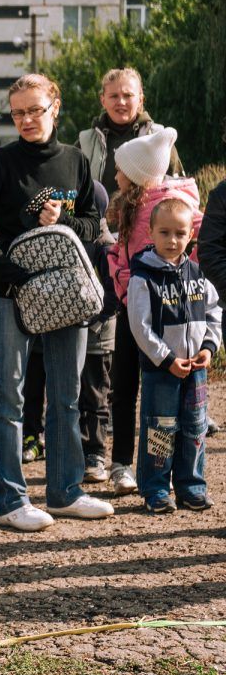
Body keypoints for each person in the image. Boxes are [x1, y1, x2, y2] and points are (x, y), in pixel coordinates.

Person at [0, 73, 114, 532]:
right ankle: (11, 500)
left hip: (67, 294)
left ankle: (65, 491)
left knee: (67, 395)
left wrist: (61, 220)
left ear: (55, 107)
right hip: (11, 294)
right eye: (18, 113)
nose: (26, 119)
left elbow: (94, 222)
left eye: (35, 110)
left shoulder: (76, 160)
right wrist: (12, 272)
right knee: (8, 398)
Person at [105, 127, 201, 494]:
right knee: (125, 386)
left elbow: (197, 240)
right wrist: (120, 271)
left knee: (160, 395)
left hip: (165, 315)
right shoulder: (132, 206)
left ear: (138, 174)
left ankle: (166, 471)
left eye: (120, 170)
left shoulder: (168, 209)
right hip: (132, 308)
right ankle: (123, 464)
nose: (116, 176)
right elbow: (124, 251)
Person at [127, 198, 220, 513]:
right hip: (161, 370)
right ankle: (156, 489)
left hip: (195, 369)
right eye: (164, 232)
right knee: (160, 429)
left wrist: (208, 348)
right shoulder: (143, 278)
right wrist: (166, 359)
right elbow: (140, 327)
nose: (172, 240)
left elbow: (213, 312)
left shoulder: (197, 273)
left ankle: (191, 486)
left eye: (180, 233)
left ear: (190, 234)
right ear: (151, 233)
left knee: (194, 426)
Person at [78, 67, 182, 199]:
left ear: (140, 100)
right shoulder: (85, 142)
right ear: (103, 100)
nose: (121, 102)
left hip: (147, 219)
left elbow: (178, 188)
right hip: (98, 219)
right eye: (114, 96)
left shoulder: (159, 139)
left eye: (128, 95)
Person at [79, 182, 118, 483]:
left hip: (97, 334)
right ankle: (75, 450)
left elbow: (112, 295)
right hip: (72, 331)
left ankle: (95, 453)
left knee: (95, 396)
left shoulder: (104, 245)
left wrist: (94, 322)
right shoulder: (74, 237)